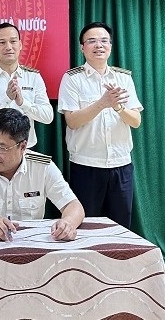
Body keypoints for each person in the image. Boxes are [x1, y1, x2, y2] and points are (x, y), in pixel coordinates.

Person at [57, 22, 143, 229]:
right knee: (87, 227)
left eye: (104, 41)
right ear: (82, 47)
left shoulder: (123, 78)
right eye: (92, 41)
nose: (99, 45)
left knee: (120, 228)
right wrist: (102, 103)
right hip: (86, 166)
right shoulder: (72, 78)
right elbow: (72, 121)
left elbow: (136, 121)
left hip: (121, 165)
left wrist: (118, 107)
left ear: (110, 46)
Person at [0, 108, 85, 241]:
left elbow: (73, 205)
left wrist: (68, 223)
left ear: (23, 146)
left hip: (32, 243)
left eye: (1, 148)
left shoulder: (42, 166)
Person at [0, 22, 53, 148]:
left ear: (20, 45)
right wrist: (6, 98)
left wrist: (22, 103)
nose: (8, 47)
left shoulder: (33, 77)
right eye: (2, 42)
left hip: (25, 149)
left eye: (13, 41)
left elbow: (48, 116)